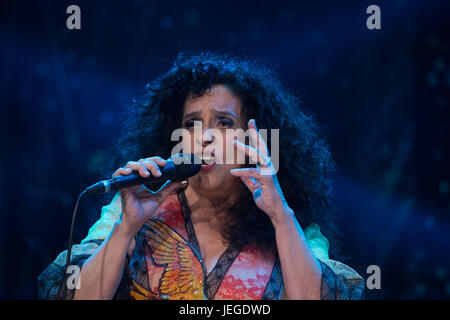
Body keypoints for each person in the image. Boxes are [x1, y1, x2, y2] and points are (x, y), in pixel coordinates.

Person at [38, 52, 364, 300]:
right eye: (192, 123)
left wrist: (280, 214)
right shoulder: (130, 209)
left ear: (254, 139)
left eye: (224, 123)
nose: (204, 136)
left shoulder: (292, 223)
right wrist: (126, 228)